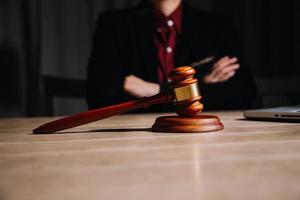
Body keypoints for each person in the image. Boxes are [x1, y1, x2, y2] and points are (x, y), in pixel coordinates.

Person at [87, 0, 257, 112]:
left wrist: (156, 91)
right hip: (134, 138)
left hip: (203, 137)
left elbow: (242, 95)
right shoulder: (114, 25)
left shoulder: (218, 26)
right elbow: (99, 97)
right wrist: (200, 86)